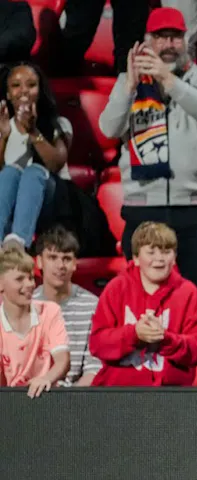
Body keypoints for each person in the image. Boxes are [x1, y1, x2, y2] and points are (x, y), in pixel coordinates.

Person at [98, 7, 197, 352]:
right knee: (139, 299)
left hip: (194, 208)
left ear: (186, 40)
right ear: (147, 42)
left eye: (175, 36)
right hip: (144, 208)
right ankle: (142, 373)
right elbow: (108, 128)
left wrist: (169, 80)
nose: (169, 44)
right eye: (161, 37)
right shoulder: (132, 83)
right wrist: (128, 85)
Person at [89, 222, 197, 386]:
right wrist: (134, 334)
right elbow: (98, 344)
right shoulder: (116, 288)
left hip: (172, 396)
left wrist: (166, 340)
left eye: (166, 252)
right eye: (151, 252)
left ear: (174, 258)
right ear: (137, 258)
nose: (159, 258)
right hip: (119, 393)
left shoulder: (188, 292)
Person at [0, 62, 72, 249]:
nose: (23, 91)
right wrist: (4, 138)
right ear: (7, 94)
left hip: (49, 205)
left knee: (33, 172)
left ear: (40, 90)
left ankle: (18, 244)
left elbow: (56, 165)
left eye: (31, 85)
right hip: (10, 205)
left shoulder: (59, 123)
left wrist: (33, 132)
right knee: (9, 172)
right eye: (16, 86)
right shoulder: (3, 126)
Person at [32, 227, 101, 387]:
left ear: (75, 263)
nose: (60, 265)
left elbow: (94, 367)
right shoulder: (27, 305)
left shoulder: (92, 305)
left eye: (67, 258)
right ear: (39, 262)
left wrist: (70, 401)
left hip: (77, 398)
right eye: (52, 257)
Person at [0, 244, 69, 398]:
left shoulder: (50, 311)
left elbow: (62, 360)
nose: (30, 284)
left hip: (44, 400)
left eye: (31, 277)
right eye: (19, 279)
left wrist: (45, 379)